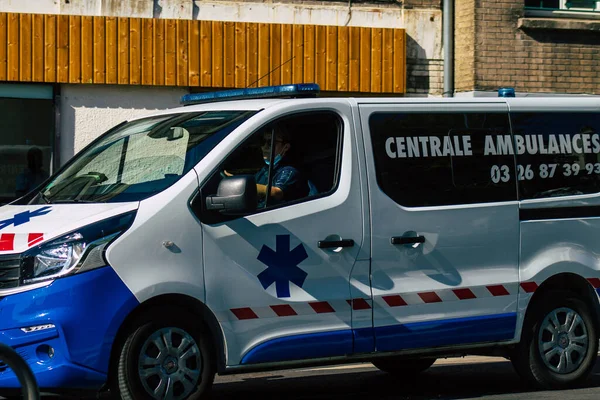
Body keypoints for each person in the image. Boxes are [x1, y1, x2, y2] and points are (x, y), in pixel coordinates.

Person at [253, 126, 308, 208]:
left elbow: (277, 192)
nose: (265, 147)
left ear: (286, 147)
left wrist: (247, 187)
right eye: (263, 142)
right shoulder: (265, 170)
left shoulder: (290, 171)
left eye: (271, 142)